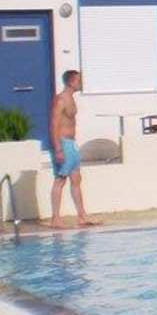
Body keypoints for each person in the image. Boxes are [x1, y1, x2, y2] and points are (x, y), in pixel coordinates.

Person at [48, 69, 99, 229]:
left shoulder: (71, 98)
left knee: (76, 179)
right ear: (71, 82)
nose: (81, 83)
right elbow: (54, 125)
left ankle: (82, 216)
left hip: (71, 143)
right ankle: (55, 219)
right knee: (60, 180)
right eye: (79, 80)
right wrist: (58, 148)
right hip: (63, 143)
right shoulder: (60, 100)